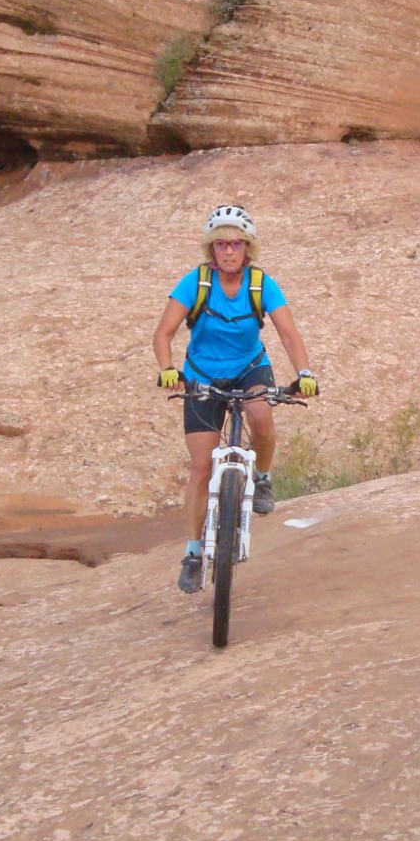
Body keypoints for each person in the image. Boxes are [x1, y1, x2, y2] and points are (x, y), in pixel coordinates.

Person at [152, 205, 318, 594]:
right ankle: (193, 553)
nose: (229, 251)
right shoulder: (196, 283)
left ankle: (262, 478)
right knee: (200, 468)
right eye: (221, 244)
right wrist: (168, 369)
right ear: (212, 249)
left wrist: (305, 373)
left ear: (247, 249)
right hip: (202, 374)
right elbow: (163, 333)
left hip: (249, 367)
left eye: (236, 244)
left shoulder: (261, 284)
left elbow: (289, 334)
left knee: (261, 414)